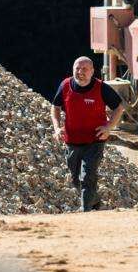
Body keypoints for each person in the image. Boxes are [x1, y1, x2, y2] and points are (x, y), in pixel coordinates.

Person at [50, 56, 125, 212]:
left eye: (84, 69)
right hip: (72, 141)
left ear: (92, 71)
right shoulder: (65, 86)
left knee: (88, 176)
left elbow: (119, 108)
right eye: (77, 68)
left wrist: (108, 127)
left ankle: (85, 211)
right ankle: (94, 200)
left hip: (95, 141)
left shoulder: (101, 87)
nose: (80, 72)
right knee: (75, 179)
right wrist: (57, 128)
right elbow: (55, 107)